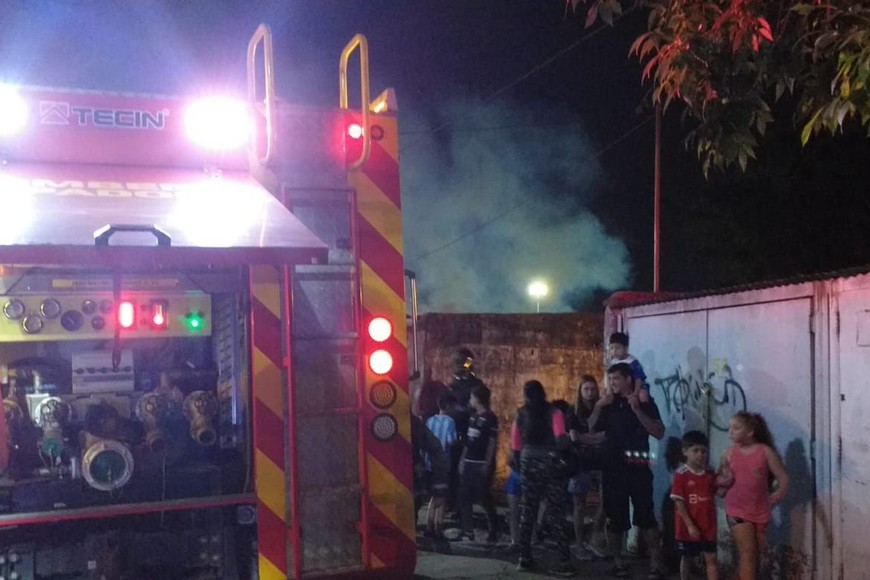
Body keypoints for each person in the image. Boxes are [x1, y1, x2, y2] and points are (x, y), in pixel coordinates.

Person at [589, 363, 666, 579]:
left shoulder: (643, 401)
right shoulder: (608, 403)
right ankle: (618, 562)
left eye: (616, 378)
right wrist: (598, 406)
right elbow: (592, 427)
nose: (612, 383)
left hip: (638, 467)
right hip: (613, 468)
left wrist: (637, 410)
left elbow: (658, 432)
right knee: (614, 518)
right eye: (610, 379)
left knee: (646, 516)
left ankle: (656, 564)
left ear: (628, 379)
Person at [511, 380, 574, 577]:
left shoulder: (520, 414)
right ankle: (564, 561)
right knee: (556, 513)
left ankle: (524, 557)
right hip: (550, 463)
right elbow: (561, 440)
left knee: (527, 511)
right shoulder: (554, 412)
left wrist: (520, 466)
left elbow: (515, 446)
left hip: (527, 463)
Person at [717, 411, 789, 580]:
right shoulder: (729, 453)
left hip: (759, 510)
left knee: (757, 558)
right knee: (747, 554)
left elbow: (783, 477)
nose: (730, 432)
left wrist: (779, 493)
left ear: (750, 432)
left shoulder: (765, 452)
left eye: (736, 428)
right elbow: (718, 484)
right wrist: (723, 481)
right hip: (736, 510)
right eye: (729, 428)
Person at [670, 430, 718, 580]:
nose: (700, 455)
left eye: (703, 451)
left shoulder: (710, 472)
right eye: (695, 450)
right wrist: (690, 525)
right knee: (687, 558)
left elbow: (717, 491)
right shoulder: (681, 474)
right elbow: (679, 502)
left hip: (708, 525)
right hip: (687, 526)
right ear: (685, 452)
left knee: (711, 558)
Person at [569, 375, 607, 560]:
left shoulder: (603, 410)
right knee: (579, 504)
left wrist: (587, 438)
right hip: (581, 462)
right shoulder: (573, 411)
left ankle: (593, 537)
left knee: (606, 500)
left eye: (593, 389)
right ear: (580, 390)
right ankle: (579, 544)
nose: (590, 393)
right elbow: (575, 437)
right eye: (586, 389)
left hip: (600, 461)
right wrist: (594, 438)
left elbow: (606, 435)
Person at [457, 384, 499, 543]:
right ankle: (468, 532)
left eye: (472, 397)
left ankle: (493, 529)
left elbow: (492, 442)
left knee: (484, 497)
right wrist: (462, 459)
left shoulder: (490, 418)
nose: (470, 400)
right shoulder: (473, 417)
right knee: (464, 497)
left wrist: (487, 463)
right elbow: (469, 441)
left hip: (481, 462)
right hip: (469, 461)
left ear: (478, 399)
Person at [425, 391, 458, 538]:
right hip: (442, 465)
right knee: (442, 498)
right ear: (449, 406)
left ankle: (429, 526)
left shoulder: (430, 421)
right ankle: (438, 528)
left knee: (433, 495)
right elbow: (451, 441)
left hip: (429, 464)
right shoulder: (450, 422)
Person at [411, 413, 448, 522]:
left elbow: (435, 449)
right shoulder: (413, 422)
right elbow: (436, 450)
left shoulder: (413, 423)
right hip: (410, 481)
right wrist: (440, 484)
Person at [608, 332, 650, 403]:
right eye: (611, 348)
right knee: (603, 394)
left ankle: (645, 408)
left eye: (618, 348)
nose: (614, 351)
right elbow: (609, 378)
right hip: (620, 388)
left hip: (636, 387)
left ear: (626, 348)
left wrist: (636, 393)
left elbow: (638, 379)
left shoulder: (633, 362)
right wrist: (609, 392)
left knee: (643, 395)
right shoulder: (612, 362)